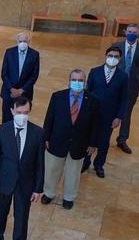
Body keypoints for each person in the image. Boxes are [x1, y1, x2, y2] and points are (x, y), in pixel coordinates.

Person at [0, 97, 46, 240]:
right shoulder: (1, 131)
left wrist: (38, 188)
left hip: (25, 185)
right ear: (12, 111)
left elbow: (40, 163)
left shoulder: (38, 133)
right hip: (4, 183)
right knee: (0, 217)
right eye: (19, 113)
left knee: (21, 220)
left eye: (26, 113)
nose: (22, 116)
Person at [42, 69, 99, 210]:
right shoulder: (57, 97)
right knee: (51, 169)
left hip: (79, 144)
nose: (77, 83)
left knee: (73, 173)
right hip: (57, 141)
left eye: (80, 80)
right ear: (69, 81)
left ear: (85, 83)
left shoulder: (93, 101)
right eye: (74, 80)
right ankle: (49, 193)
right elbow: (49, 119)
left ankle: (69, 197)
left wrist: (93, 144)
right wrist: (46, 137)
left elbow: (96, 125)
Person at [82, 46, 129, 178]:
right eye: (110, 55)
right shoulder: (95, 72)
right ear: (105, 56)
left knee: (104, 141)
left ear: (119, 59)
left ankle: (99, 165)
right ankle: (85, 162)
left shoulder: (123, 77)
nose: (112, 58)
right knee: (89, 138)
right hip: (92, 113)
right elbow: (87, 92)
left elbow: (124, 99)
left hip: (109, 115)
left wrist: (119, 117)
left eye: (116, 56)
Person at [111, 24, 139, 154]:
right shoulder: (116, 46)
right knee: (110, 110)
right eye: (129, 31)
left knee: (126, 114)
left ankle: (122, 140)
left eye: (134, 32)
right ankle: (103, 136)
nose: (132, 33)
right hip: (115, 84)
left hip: (131, 86)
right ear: (125, 32)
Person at [0, 32, 40, 123]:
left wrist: (21, 90)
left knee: (21, 120)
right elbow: (4, 73)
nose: (23, 43)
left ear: (29, 42)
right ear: (17, 42)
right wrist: (11, 89)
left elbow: (34, 75)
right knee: (6, 119)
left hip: (25, 94)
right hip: (9, 93)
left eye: (25, 41)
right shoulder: (9, 52)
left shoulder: (34, 54)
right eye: (20, 41)